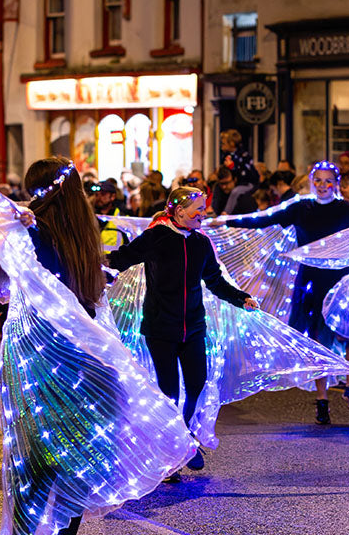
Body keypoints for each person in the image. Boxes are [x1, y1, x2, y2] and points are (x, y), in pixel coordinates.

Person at [0, 152, 201, 535]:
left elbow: (5, 290)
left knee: (56, 457)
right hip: (55, 356)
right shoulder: (40, 231)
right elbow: (12, 287)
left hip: (67, 356)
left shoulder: (67, 234)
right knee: (60, 456)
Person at [107, 187, 258, 479]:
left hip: (194, 328)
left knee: (197, 385)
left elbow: (215, 280)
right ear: (179, 212)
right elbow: (121, 259)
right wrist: (90, 259)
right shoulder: (156, 237)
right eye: (199, 209)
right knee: (169, 392)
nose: (204, 214)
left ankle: (183, 439)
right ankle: (171, 451)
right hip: (160, 328)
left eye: (205, 208)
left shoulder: (202, 243)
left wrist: (241, 298)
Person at [213, 161, 349, 424]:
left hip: (340, 277)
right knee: (319, 341)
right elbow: (264, 219)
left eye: (328, 180)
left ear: (337, 183)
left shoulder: (345, 209)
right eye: (317, 180)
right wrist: (227, 222)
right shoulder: (300, 207)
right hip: (311, 281)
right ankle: (322, 399)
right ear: (311, 181)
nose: (322, 186)